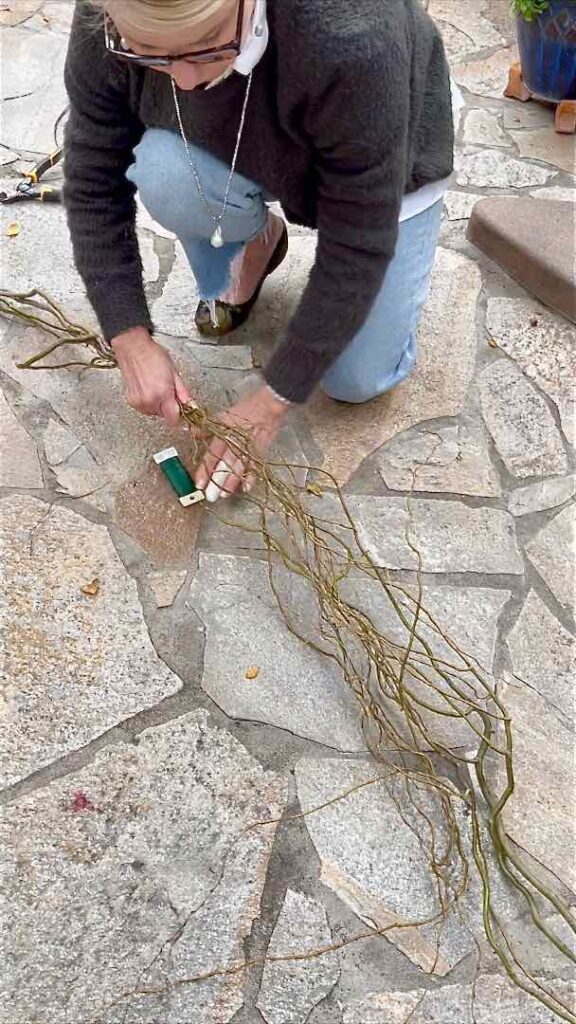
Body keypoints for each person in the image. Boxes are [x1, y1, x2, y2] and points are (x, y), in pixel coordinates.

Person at [63, 0, 454, 501]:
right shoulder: (110, 13)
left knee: (358, 379)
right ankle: (258, 240)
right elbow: (93, 180)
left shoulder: (353, 34)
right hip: (238, 136)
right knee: (164, 172)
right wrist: (128, 337)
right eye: (153, 57)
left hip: (385, 153)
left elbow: (358, 241)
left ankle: (391, 304)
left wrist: (272, 399)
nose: (184, 82)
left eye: (206, 48)